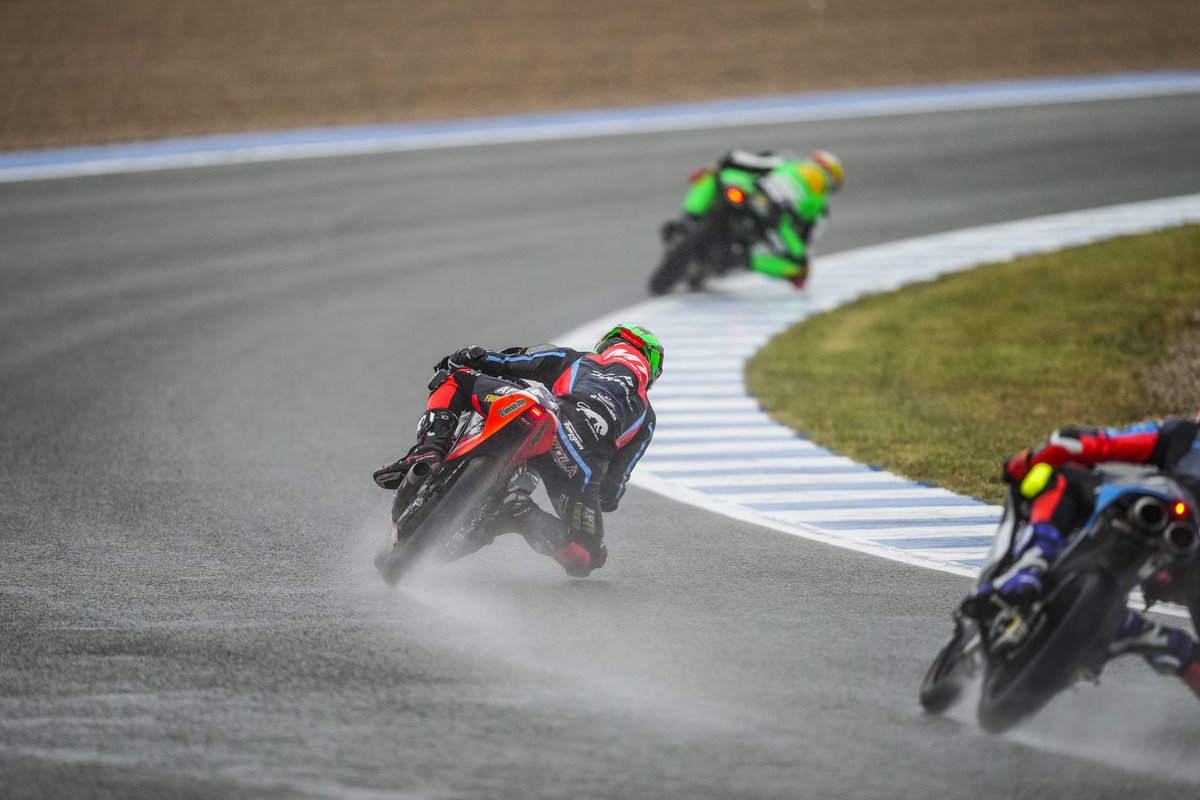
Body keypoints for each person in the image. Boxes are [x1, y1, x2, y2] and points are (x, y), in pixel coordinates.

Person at [372, 324, 663, 577]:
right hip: (579, 468)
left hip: (549, 423)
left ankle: (428, 450)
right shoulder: (646, 417)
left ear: (608, 344)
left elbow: (510, 362)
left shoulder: (576, 359)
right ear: (650, 370)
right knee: (588, 557)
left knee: (457, 379)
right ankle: (519, 513)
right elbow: (611, 494)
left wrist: (471, 356)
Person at [973, 416, 1200, 695]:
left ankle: (1031, 565)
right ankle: (1147, 640)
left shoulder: (1184, 434)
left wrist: (1027, 461)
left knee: (1062, 477)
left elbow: (1092, 443)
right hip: (1177, 549)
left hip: (1156, 522)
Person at [672, 148, 844, 289]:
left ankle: (691, 216)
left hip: (760, 202)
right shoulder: (820, 208)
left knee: (713, 173)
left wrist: (722, 162)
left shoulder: (786, 163)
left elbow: (740, 158)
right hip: (769, 214)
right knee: (800, 269)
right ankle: (744, 259)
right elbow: (807, 243)